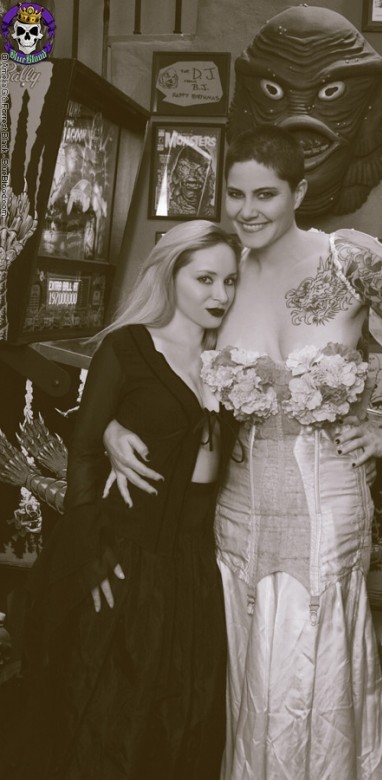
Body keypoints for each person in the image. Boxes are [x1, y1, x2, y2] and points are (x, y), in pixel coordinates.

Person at [104, 126, 382, 780]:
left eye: (265, 194)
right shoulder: (220, 272)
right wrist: (108, 426)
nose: (247, 210)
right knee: (247, 663)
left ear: (299, 192)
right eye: (235, 193)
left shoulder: (349, 263)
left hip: (329, 502)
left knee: (316, 660)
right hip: (237, 505)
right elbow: (146, 358)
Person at [12, 221, 240, 779]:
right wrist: (89, 554)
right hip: (127, 555)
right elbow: (85, 451)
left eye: (230, 281)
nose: (220, 294)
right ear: (171, 275)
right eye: (205, 279)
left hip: (198, 562)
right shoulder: (128, 346)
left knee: (186, 712)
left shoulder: (235, 357)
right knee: (111, 712)